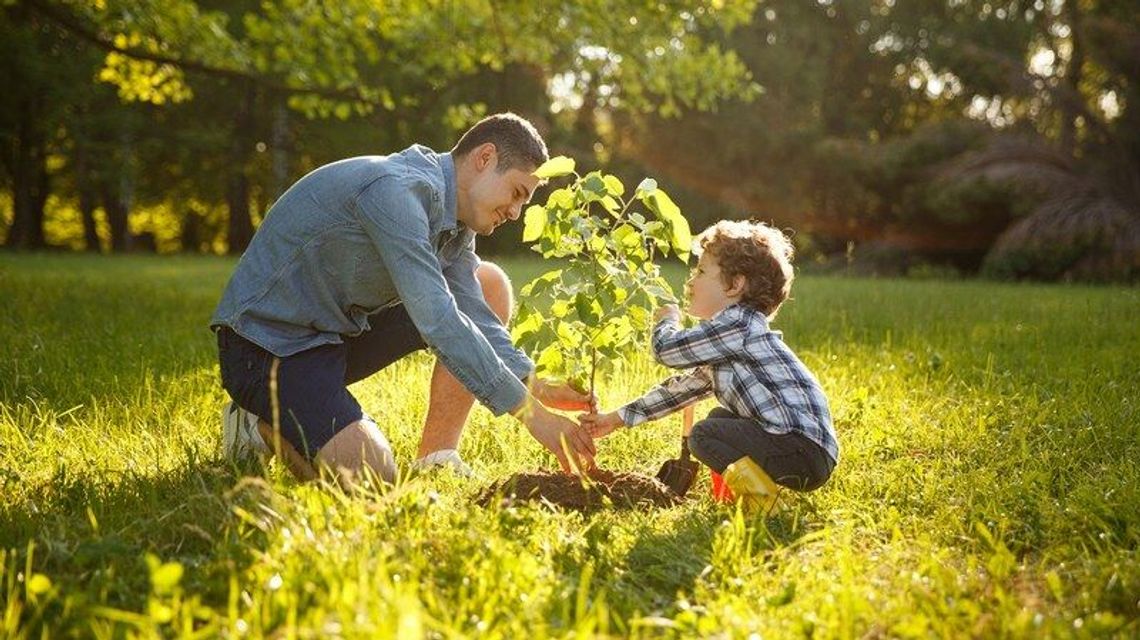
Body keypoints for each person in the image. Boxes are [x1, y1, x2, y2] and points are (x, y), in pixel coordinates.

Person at [210, 112, 596, 484]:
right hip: (266, 348)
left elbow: (474, 313)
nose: (514, 212)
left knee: (488, 283)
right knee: (372, 480)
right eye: (516, 193)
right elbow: (439, 320)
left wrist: (534, 383)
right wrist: (534, 416)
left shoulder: (457, 224)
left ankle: (437, 457)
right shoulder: (397, 191)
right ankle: (255, 426)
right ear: (484, 158)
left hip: (333, 336)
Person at [580, 220, 838, 508]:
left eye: (701, 271)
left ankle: (765, 505)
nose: (690, 281)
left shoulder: (738, 324)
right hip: (806, 450)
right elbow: (679, 391)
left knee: (703, 435)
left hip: (800, 448)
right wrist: (613, 419)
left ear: (735, 285)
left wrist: (667, 320)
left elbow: (666, 350)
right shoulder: (730, 339)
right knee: (717, 419)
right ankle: (735, 497)